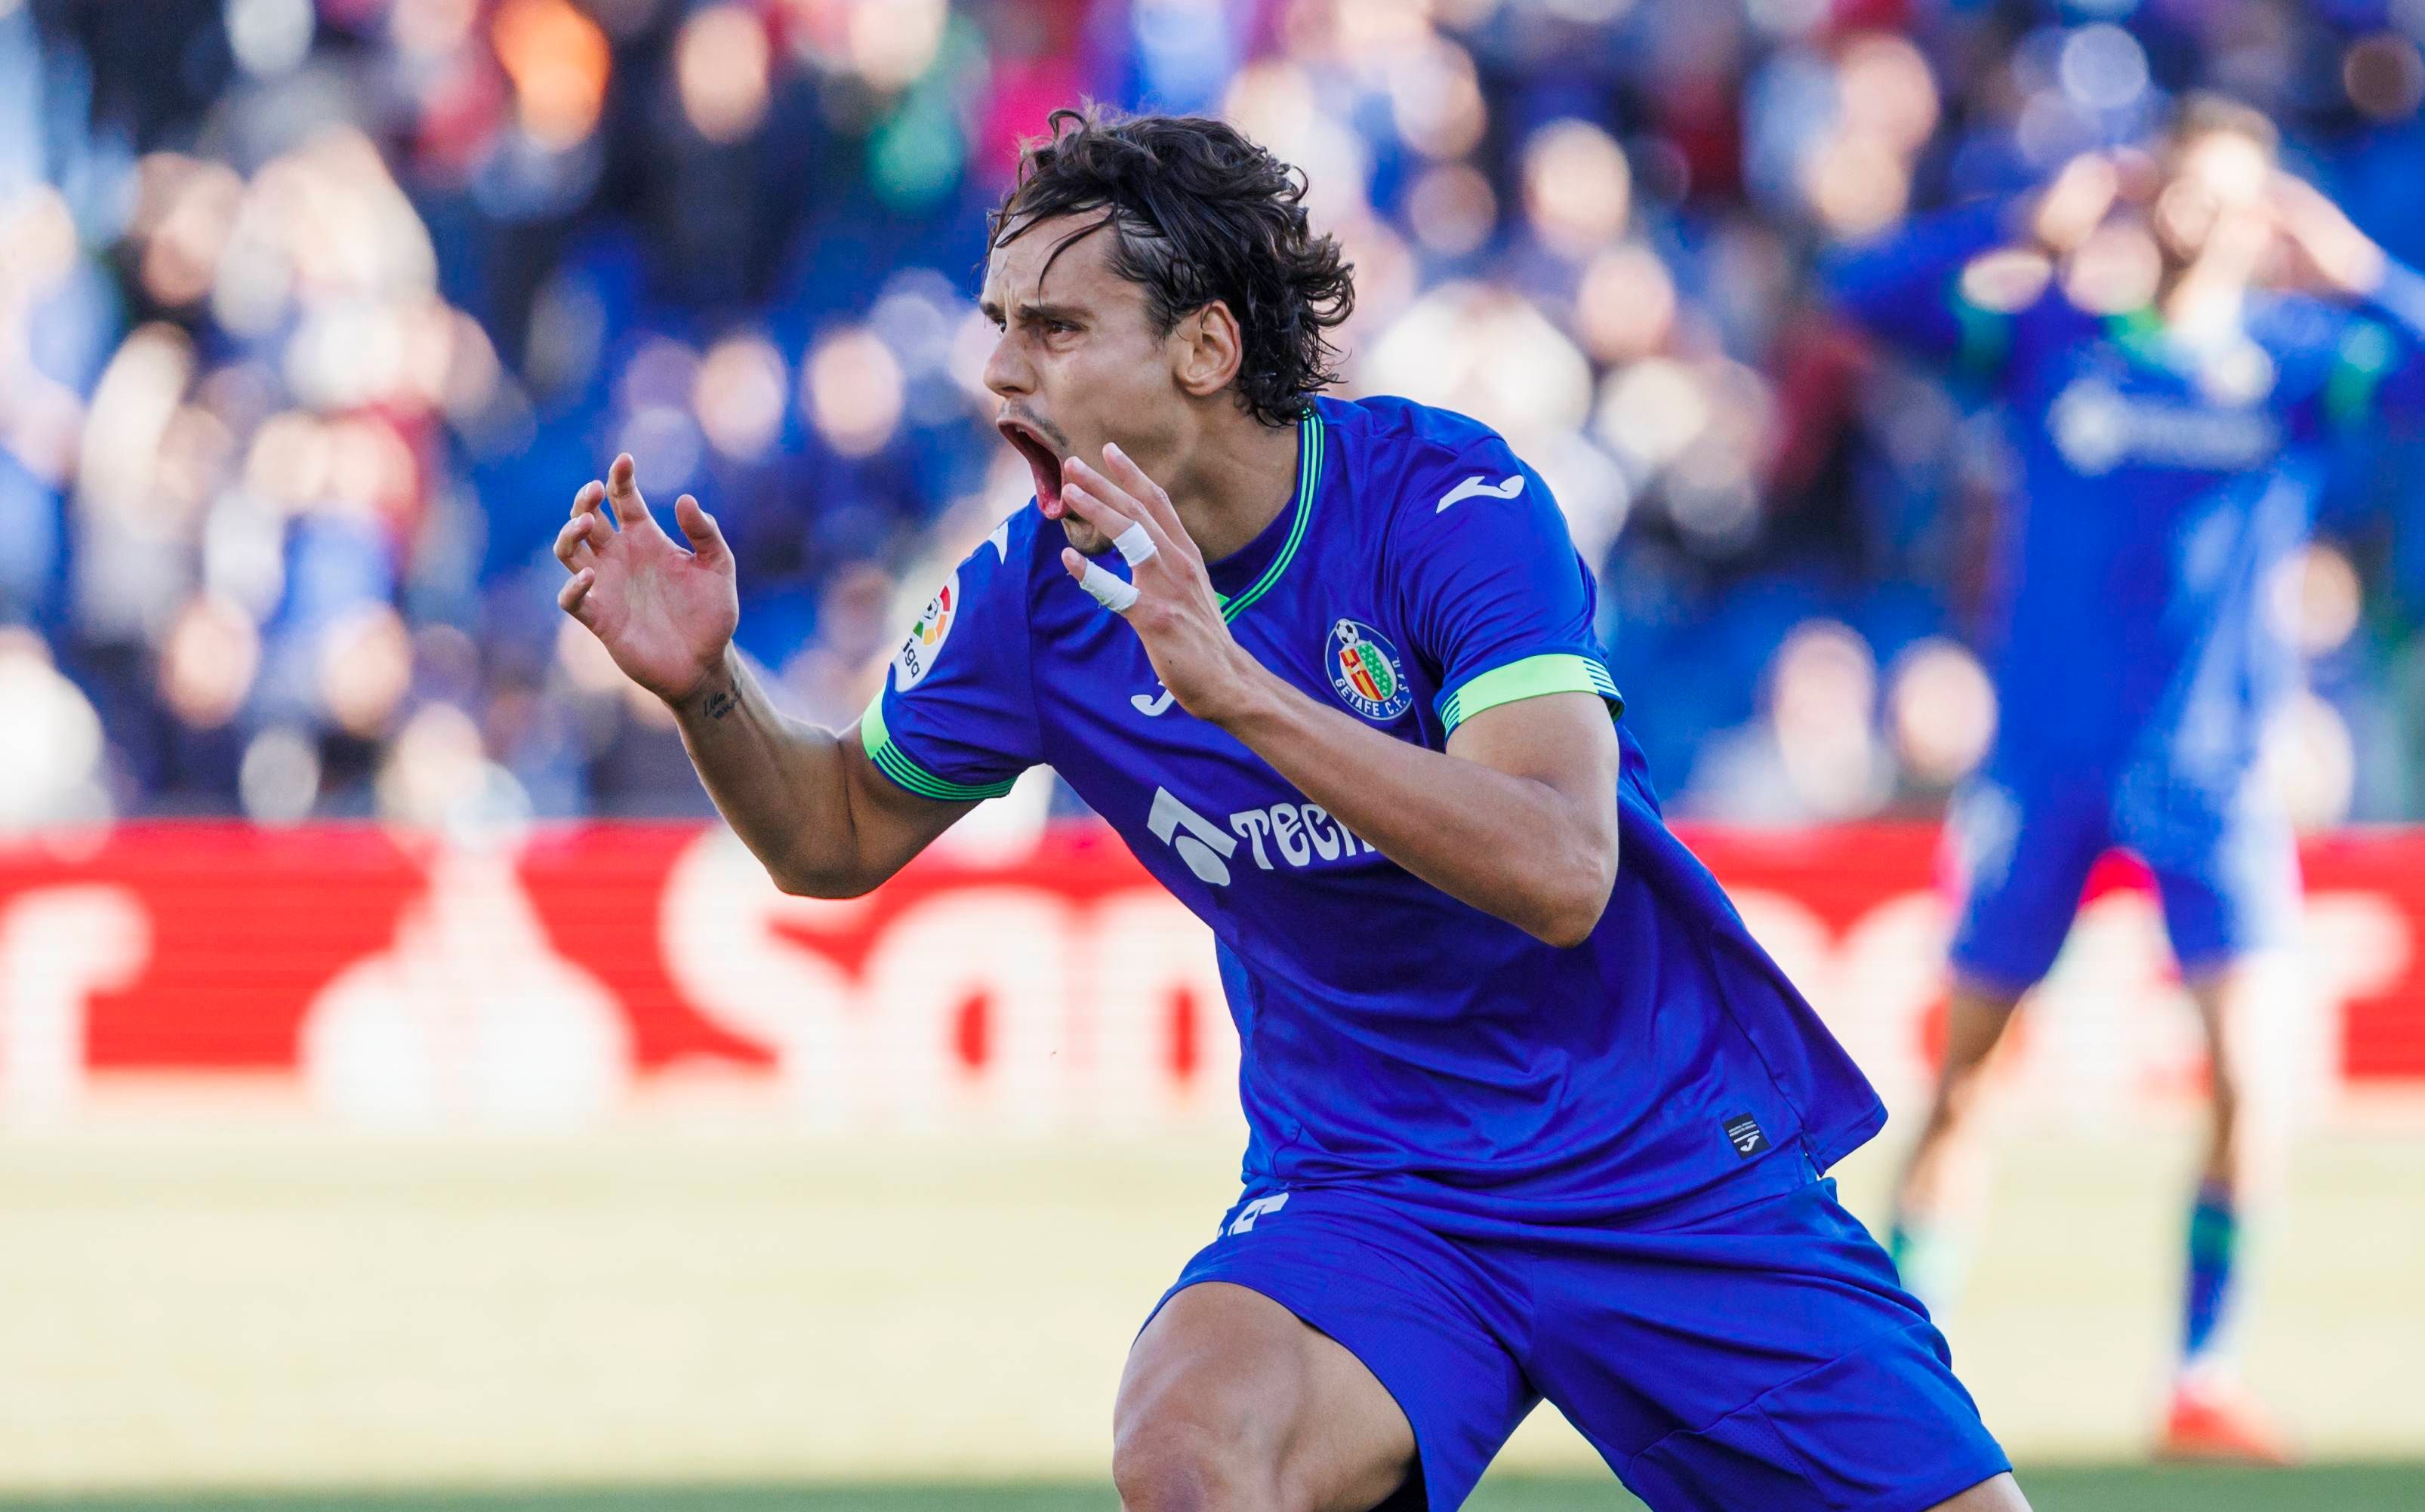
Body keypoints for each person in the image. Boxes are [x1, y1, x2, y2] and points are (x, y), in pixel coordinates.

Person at [556, 106, 2024, 1512]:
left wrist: (1240, 695)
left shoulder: (1445, 500)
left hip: (1654, 1160)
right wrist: (708, 691)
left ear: (1206, 346)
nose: (1000, 370)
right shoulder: (1030, 597)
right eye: (996, 323)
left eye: (1054, 328)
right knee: (1193, 1451)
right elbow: (832, 830)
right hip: (1372, 1189)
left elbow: (1564, 867)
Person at [1824, 95, 2425, 1464]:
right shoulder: (2057, 340)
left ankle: (2200, 1379)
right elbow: (1863, 297)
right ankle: (1903, 1376)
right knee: (1968, 1083)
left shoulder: (2297, 358)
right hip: (2044, 767)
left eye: (2224, 194)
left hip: (2212, 773)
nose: (2192, 216)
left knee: (2251, 1083)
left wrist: (2365, 272)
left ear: (2265, 215)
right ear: (2140, 198)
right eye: (2174, 188)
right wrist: (2013, 230)